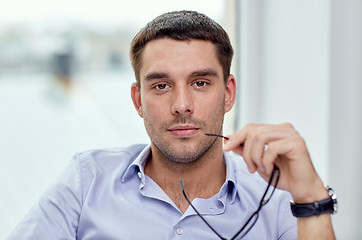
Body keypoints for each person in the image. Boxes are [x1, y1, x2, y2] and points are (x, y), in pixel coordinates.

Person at [7, 10, 336, 239]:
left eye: (200, 83)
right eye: (161, 86)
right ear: (138, 101)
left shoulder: (277, 199)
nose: (181, 106)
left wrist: (311, 197)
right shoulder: (86, 180)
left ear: (228, 93)